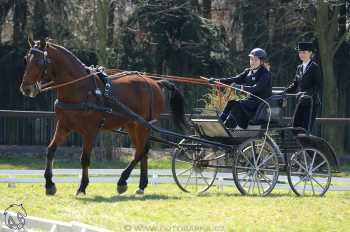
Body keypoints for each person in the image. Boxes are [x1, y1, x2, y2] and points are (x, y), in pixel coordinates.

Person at [210, 48, 272, 129]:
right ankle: (221, 123)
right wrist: (217, 81)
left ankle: (228, 126)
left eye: (255, 60)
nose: (252, 62)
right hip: (250, 101)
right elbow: (234, 79)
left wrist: (241, 87)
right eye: (251, 59)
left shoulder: (265, 74)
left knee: (236, 106)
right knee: (231, 102)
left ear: (261, 61)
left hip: (260, 103)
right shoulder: (248, 71)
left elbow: (256, 88)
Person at [283, 42, 322, 132]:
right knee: (295, 128)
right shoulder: (299, 67)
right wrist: (284, 92)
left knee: (305, 130)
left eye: (304, 52)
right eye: (300, 52)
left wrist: (306, 93)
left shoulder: (314, 67)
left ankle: (306, 145)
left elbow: (318, 86)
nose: (301, 55)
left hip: (311, 103)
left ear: (310, 53)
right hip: (301, 102)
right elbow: (295, 84)